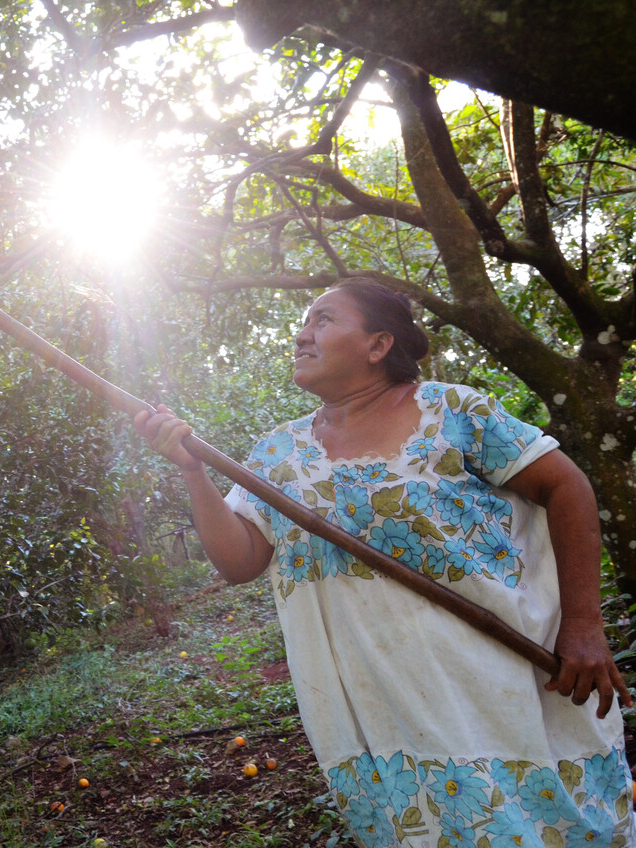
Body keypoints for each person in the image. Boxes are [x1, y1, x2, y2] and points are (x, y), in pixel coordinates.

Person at [134, 278, 634, 848]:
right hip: (380, 707)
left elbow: (567, 488)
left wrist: (585, 626)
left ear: (377, 345)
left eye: (323, 319)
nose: (302, 334)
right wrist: (192, 471)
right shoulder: (277, 452)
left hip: (498, 681)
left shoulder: (450, 411)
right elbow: (239, 561)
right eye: (304, 323)